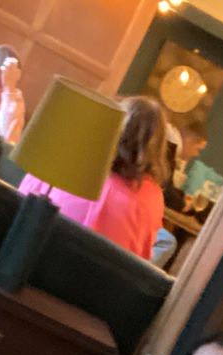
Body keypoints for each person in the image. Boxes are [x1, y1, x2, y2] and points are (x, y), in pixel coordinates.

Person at [17, 95, 170, 261]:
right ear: (158, 147)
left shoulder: (66, 161)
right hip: (95, 279)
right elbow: (140, 257)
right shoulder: (152, 198)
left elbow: (20, 204)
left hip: (32, 260)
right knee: (167, 241)